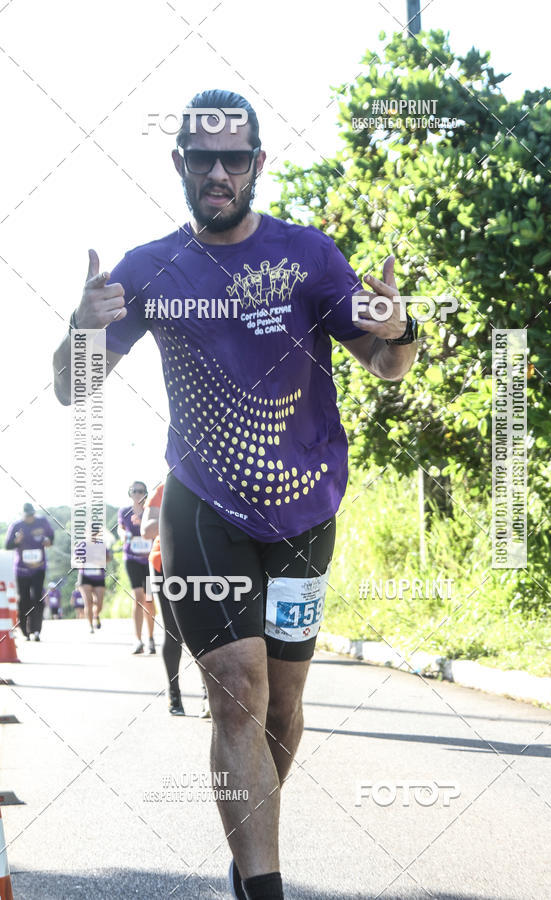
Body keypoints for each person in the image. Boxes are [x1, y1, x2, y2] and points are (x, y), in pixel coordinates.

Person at [53, 89, 417, 900]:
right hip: (202, 507)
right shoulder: (150, 268)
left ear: (257, 164)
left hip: (305, 512)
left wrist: (402, 331)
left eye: (234, 159)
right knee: (237, 693)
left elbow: (385, 365)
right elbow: (74, 388)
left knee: (282, 707)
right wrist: (80, 328)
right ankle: (263, 887)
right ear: (179, 163)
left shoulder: (309, 255)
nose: (218, 173)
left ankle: (249, 845)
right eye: (202, 158)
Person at [141, 481, 211, 718]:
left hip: (200, 561)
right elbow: (147, 530)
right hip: (165, 562)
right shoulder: (163, 488)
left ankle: (208, 695)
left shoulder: (209, 481)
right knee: (174, 632)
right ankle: (174, 693)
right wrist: (179, 516)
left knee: (204, 631)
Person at [5, 502, 54, 641]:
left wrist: (49, 541)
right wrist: (17, 541)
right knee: (24, 600)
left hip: (39, 568)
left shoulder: (42, 522)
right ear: (23, 515)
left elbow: (51, 537)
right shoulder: (16, 525)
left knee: (38, 598)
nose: (30, 518)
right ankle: (25, 630)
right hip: (22, 570)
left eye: (32, 515)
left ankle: (36, 630)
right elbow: (7, 545)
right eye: (27, 516)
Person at [118, 482, 156, 655]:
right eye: (134, 491)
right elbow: (120, 528)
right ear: (130, 493)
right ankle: (138, 640)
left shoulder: (151, 510)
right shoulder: (124, 511)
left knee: (149, 598)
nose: (138, 494)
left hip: (148, 560)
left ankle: (151, 638)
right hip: (132, 558)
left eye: (141, 491)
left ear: (146, 493)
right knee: (138, 597)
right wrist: (123, 535)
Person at [78, 558, 110, 633]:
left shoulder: (100, 549)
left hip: (99, 577)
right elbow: (76, 559)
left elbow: (108, 558)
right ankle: (91, 625)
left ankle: (96, 615)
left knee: (99, 604)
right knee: (88, 602)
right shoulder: (81, 549)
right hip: (85, 576)